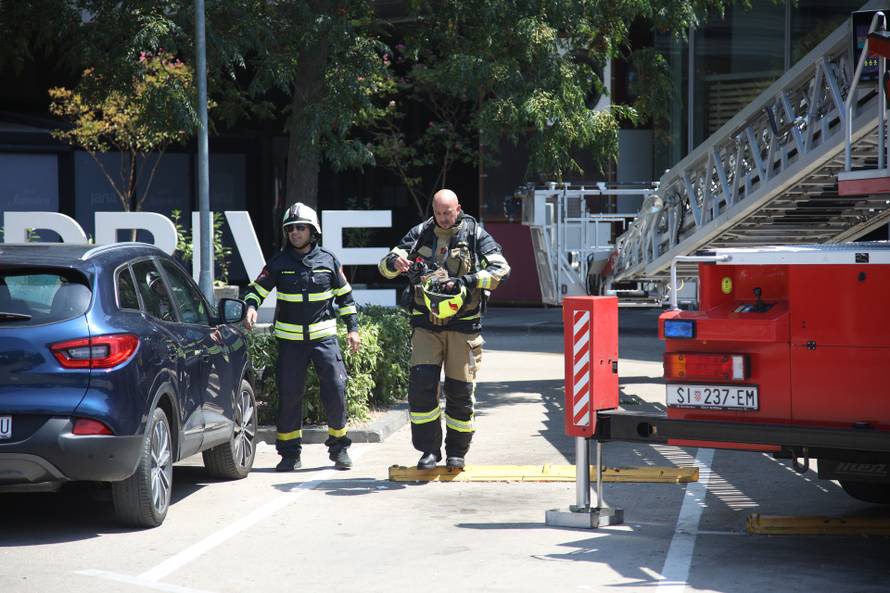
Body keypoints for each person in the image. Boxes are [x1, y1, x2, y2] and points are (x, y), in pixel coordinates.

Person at [378, 188, 510, 470]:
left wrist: (469, 281)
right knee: (422, 387)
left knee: (460, 391)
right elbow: (386, 264)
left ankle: (457, 452)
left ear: (458, 208)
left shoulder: (476, 235)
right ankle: (429, 451)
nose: (442, 218)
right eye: (438, 213)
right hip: (425, 324)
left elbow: (501, 269)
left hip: (463, 327)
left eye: (447, 213)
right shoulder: (420, 233)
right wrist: (394, 262)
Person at [243, 202, 361, 471]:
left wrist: (352, 329)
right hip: (290, 344)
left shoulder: (329, 261)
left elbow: (346, 299)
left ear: (312, 231)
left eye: (300, 228)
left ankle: (340, 449)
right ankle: (289, 455)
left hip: (325, 341)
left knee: (335, 391)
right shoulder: (278, 263)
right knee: (289, 397)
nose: (295, 232)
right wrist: (251, 307)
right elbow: (256, 290)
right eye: (290, 229)